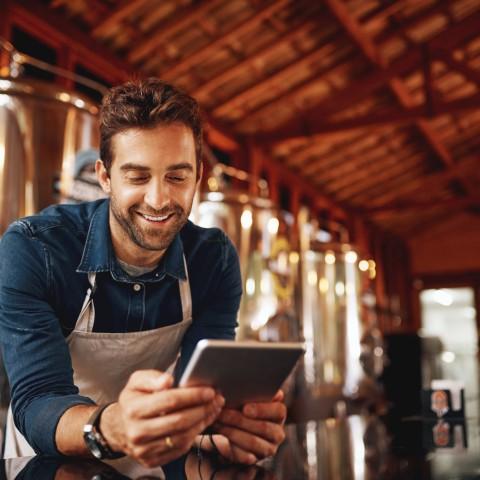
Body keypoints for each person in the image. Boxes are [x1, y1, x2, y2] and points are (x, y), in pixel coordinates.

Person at [0, 78, 286, 467]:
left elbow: (196, 390)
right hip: (47, 465)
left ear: (198, 178)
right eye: (137, 177)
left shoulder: (212, 260)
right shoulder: (34, 249)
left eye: (177, 177)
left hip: (154, 466)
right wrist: (111, 427)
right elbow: (38, 399)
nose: (158, 199)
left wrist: (227, 429)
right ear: (105, 177)